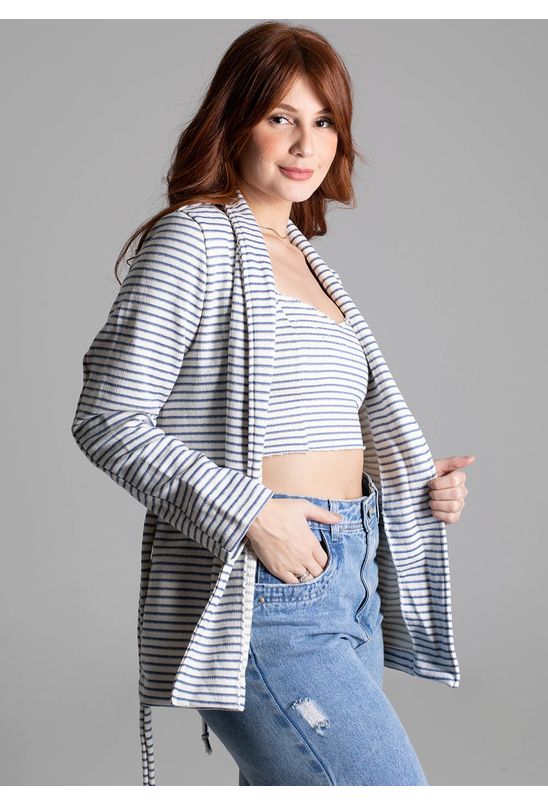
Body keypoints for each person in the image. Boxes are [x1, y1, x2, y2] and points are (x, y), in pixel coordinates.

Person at [71, 21, 471, 786]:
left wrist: (414, 484)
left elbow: (313, 423)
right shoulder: (195, 238)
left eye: (324, 121)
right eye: (280, 116)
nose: (304, 143)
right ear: (235, 120)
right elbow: (108, 419)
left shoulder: (308, 261)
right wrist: (252, 514)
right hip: (265, 583)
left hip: (348, 576)